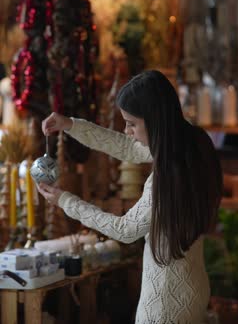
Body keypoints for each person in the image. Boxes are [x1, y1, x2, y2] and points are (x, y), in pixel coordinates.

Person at [38, 69, 222, 324]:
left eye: (132, 123)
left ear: (155, 119)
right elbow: (127, 148)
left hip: (164, 304)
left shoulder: (165, 178)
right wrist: (70, 125)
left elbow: (124, 230)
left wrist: (65, 201)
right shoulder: (192, 143)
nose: (127, 130)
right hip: (194, 291)